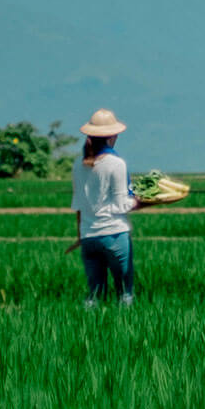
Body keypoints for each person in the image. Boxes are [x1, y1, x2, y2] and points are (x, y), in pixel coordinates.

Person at [71, 108, 143, 307]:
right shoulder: (115, 163)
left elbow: (78, 204)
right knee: (125, 293)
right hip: (114, 234)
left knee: (95, 294)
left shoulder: (78, 164)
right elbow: (122, 204)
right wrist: (140, 201)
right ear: (113, 136)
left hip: (88, 237)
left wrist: (80, 236)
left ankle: (87, 330)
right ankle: (127, 331)